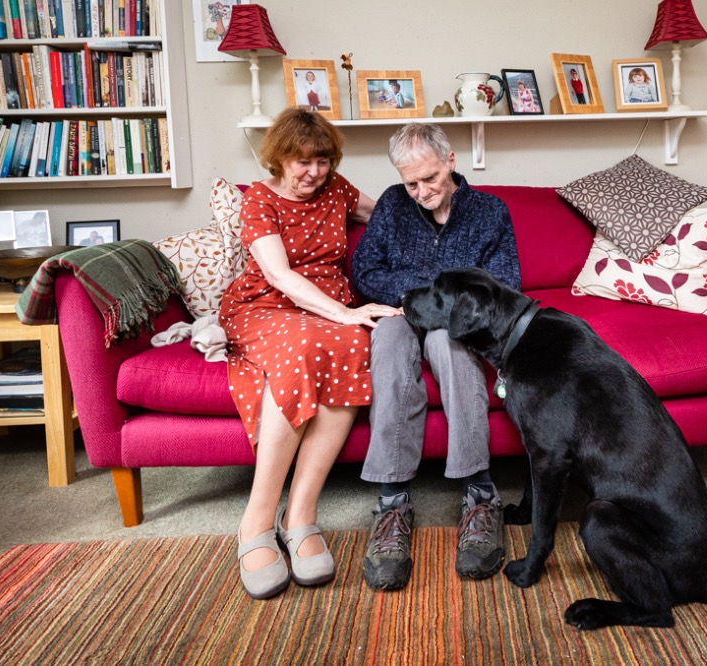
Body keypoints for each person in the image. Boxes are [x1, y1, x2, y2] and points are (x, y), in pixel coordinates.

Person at [219, 108, 401, 600]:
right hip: (266, 306)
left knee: (353, 342)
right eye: (301, 162)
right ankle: (256, 520)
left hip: (327, 312)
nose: (313, 173)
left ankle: (300, 513)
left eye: (322, 161)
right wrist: (343, 313)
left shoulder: (336, 189)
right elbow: (278, 276)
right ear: (278, 159)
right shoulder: (259, 200)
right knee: (304, 346)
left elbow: (387, 213)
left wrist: (444, 204)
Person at [351, 123, 521, 590]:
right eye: (411, 183)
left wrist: (446, 310)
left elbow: (505, 283)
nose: (421, 191)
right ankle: (392, 503)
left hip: (457, 319)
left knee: (452, 346)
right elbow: (365, 269)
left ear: (450, 159)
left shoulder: (489, 212)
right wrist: (410, 298)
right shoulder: (391, 204)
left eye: (430, 178)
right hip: (401, 310)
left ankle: (480, 495)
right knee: (386, 344)